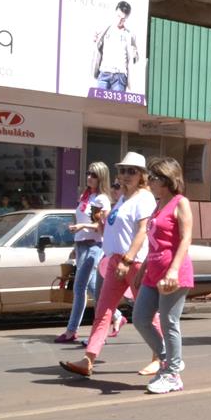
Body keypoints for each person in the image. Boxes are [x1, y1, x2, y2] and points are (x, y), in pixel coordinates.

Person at [61, 153, 158, 377]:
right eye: (123, 170)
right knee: (103, 312)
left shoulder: (144, 198)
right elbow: (111, 231)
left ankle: (159, 358)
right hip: (115, 261)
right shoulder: (122, 199)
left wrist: (127, 259)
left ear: (142, 175)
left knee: (146, 313)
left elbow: (143, 232)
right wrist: (103, 222)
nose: (125, 175)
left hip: (133, 262)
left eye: (131, 171)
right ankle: (89, 359)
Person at [131, 157, 195, 394]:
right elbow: (154, 242)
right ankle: (170, 358)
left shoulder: (181, 202)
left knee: (169, 322)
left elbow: (186, 238)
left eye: (154, 177)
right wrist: (144, 269)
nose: (149, 181)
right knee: (140, 318)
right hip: (153, 272)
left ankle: (172, 374)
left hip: (173, 273)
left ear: (167, 179)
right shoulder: (159, 205)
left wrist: (174, 270)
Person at [55, 162, 112, 343]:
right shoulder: (86, 196)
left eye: (94, 175)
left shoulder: (101, 199)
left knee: (79, 287)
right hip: (81, 244)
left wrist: (83, 226)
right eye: (88, 173)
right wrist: (75, 245)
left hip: (93, 245)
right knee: (93, 288)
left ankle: (71, 330)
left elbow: (102, 226)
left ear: (101, 177)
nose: (89, 177)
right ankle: (117, 316)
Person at [94, 1, 139, 93]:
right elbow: (97, 48)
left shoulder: (129, 35)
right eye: (118, 16)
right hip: (104, 73)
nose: (119, 20)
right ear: (115, 12)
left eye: (123, 19)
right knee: (98, 105)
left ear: (127, 18)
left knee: (117, 107)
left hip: (120, 76)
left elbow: (136, 58)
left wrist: (134, 54)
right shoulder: (104, 29)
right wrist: (95, 41)